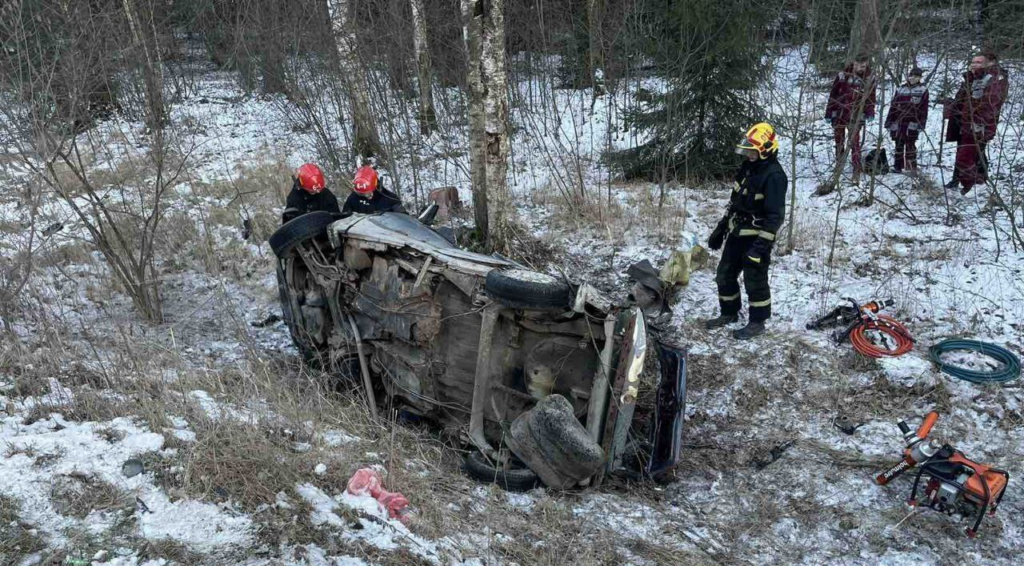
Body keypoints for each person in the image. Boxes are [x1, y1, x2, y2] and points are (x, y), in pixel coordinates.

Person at [704, 123, 788, 340]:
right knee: (724, 275)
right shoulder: (748, 167)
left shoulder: (774, 176)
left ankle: (757, 321)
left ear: (766, 149)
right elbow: (734, 202)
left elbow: (775, 217)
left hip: (756, 238)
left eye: (753, 150)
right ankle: (729, 313)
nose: (749, 153)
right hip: (736, 233)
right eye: (748, 149)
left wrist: (760, 248)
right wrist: (721, 229)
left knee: (755, 281)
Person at [943, 51, 1009, 195]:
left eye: (980, 62)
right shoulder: (972, 77)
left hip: (979, 124)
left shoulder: (995, 78)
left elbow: (990, 103)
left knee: (972, 153)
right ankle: (960, 179)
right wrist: (952, 108)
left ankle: (977, 183)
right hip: (963, 121)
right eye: (973, 62)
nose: (975, 65)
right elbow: (962, 98)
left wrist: (979, 121)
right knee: (965, 150)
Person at [824, 54, 876, 186]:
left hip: (856, 115)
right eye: (858, 65)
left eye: (863, 66)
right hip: (840, 113)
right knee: (839, 140)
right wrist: (829, 113)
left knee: (855, 142)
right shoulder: (842, 75)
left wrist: (869, 112)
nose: (860, 68)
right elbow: (833, 95)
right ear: (853, 63)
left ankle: (856, 169)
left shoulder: (869, 78)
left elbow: (871, 98)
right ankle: (839, 165)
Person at [885, 66, 929, 174]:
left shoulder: (923, 90)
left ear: (920, 78)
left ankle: (911, 167)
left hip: (912, 122)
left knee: (910, 144)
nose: (913, 78)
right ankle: (897, 167)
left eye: (916, 76)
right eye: (911, 75)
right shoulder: (901, 88)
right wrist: (889, 121)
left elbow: (924, 108)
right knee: (898, 143)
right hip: (899, 121)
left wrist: (921, 124)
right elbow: (893, 106)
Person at [341, 165, 406, 215]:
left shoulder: (390, 199)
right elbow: (345, 218)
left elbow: (403, 220)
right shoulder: (353, 198)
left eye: (368, 194)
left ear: (375, 185)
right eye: (361, 194)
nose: (365, 196)